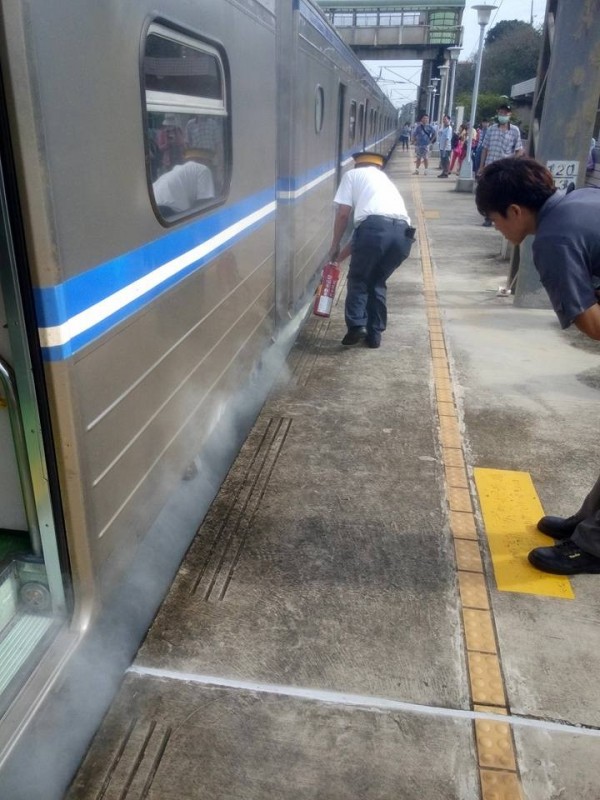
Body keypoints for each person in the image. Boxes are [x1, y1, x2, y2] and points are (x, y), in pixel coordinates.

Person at [475, 156, 600, 575]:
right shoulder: (582, 198)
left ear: (514, 211)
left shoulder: (553, 239)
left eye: (494, 220)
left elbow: (593, 324)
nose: (497, 229)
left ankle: (594, 547)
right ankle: (587, 525)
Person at [327, 151, 414, 349]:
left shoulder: (352, 176)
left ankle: (357, 326)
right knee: (377, 281)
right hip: (403, 236)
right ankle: (374, 335)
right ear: (378, 167)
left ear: (357, 165)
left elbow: (343, 215)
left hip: (374, 232)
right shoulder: (385, 182)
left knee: (358, 279)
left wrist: (334, 244)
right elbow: (364, 238)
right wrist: (337, 259)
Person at [477, 101, 523, 225]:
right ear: (498, 113)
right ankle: (489, 217)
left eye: (506, 113)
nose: (503, 114)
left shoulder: (514, 131)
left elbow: (519, 150)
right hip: (491, 166)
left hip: (505, 168)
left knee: (503, 193)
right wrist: (481, 166)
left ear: (510, 114)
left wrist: (514, 163)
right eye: (501, 112)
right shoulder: (491, 129)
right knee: (489, 192)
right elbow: (485, 148)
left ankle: (501, 217)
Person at [152, 149, 215, 215]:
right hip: (167, 208)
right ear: (204, 160)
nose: (211, 165)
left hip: (153, 206)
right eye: (210, 162)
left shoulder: (178, 170)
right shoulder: (203, 169)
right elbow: (204, 203)